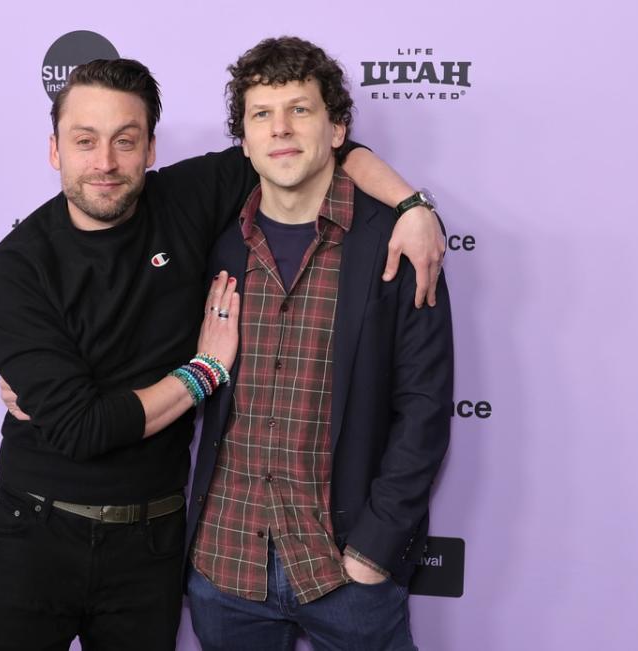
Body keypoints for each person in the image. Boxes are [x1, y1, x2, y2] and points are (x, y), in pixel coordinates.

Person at [0, 56, 444, 651]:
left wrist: (412, 207)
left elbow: (310, 146)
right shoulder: (17, 265)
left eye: (126, 140)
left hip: (153, 545)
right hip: (34, 531)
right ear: (54, 150)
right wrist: (204, 371)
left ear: (150, 149)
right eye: (84, 142)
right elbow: (82, 427)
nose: (105, 163)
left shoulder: (189, 199)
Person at [184, 37, 454, 651]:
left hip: (347, 574)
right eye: (262, 115)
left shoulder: (397, 246)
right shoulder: (215, 245)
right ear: (244, 139)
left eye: (300, 110)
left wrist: (375, 551)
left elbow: (425, 408)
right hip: (224, 569)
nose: (280, 130)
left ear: (337, 130)